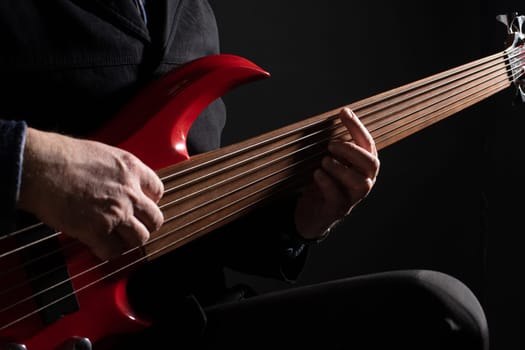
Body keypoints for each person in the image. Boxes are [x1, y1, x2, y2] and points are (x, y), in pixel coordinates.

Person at [0, 1, 488, 349]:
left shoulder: (192, 15)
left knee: (435, 313)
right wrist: (34, 164)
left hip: (180, 318)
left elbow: (179, 210)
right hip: (27, 324)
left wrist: (298, 222)